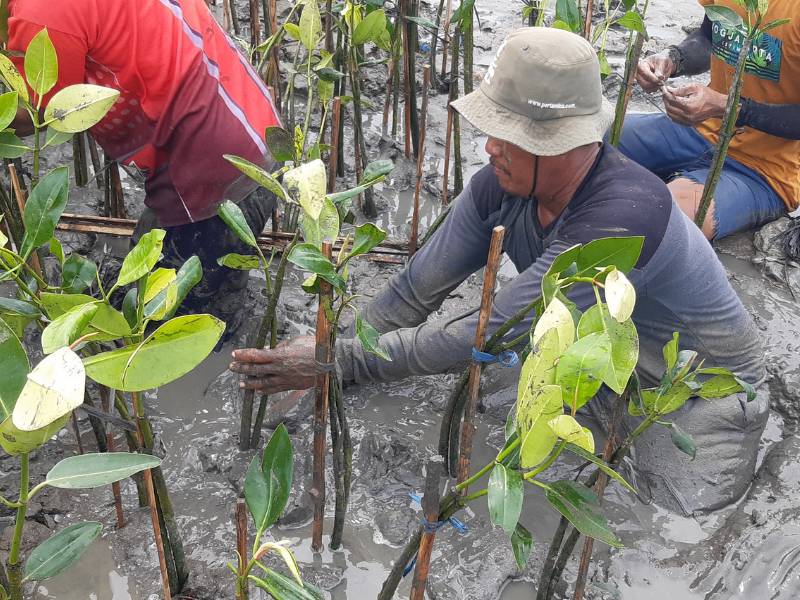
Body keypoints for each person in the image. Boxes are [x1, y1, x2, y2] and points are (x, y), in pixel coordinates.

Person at [230, 28, 768, 514]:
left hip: (701, 396)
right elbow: (414, 291)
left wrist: (337, 362)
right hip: (596, 370)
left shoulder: (626, 215)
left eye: (508, 133)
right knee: (494, 411)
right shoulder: (501, 184)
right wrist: (334, 349)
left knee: (669, 514)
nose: (489, 146)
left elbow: (485, 333)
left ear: (566, 142)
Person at [7, 0, 281, 329]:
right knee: (179, 288)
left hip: (211, 165)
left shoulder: (40, 12)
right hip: (249, 124)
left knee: (166, 326)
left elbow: (43, 111)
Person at [616, 0, 799, 240]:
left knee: (652, 222)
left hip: (762, 171)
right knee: (583, 146)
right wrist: (673, 59)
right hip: (697, 129)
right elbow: (708, 37)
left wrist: (727, 106)